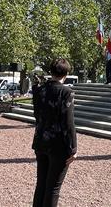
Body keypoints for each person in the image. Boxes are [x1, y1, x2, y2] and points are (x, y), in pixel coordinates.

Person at [32, 58, 77, 207]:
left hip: (41, 140)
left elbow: (37, 115)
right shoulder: (66, 92)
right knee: (53, 188)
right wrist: (73, 148)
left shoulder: (39, 90)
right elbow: (68, 123)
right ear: (66, 73)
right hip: (58, 145)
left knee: (41, 185)